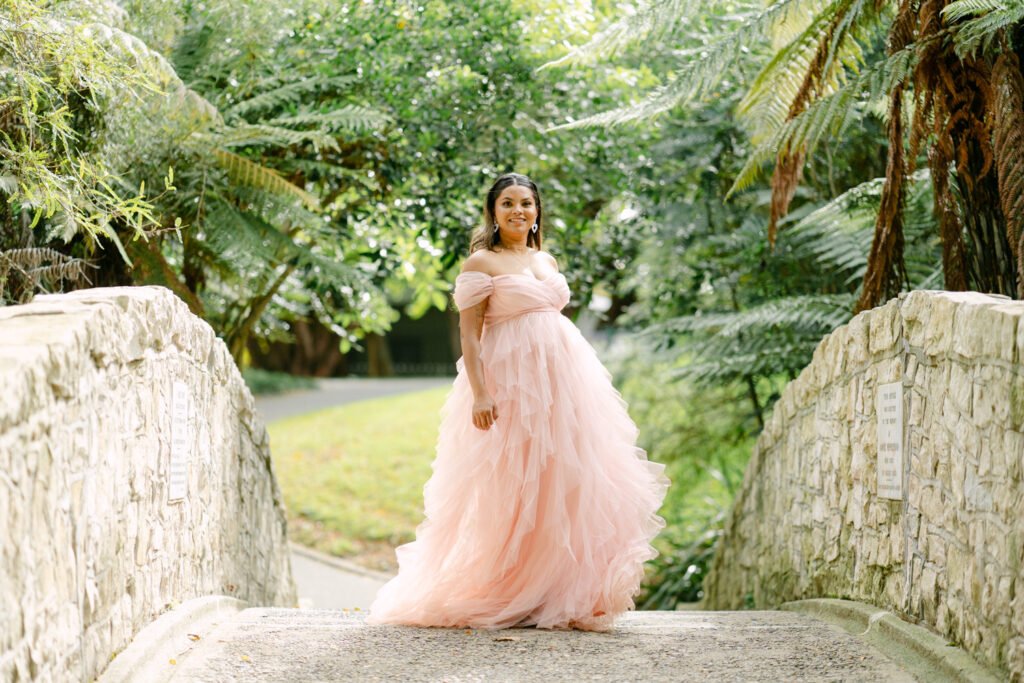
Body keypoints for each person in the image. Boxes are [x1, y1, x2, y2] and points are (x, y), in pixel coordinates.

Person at [365, 172, 670, 632]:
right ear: (493, 211)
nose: (517, 211)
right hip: (511, 383)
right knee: (515, 482)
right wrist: (481, 392)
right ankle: (511, 586)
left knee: (565, 478)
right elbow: (470, 334)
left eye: (525, 203)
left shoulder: (545, 259)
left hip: (565, 381)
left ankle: (557, 588)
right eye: (507, 203)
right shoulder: (481, 263)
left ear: (536, 211)